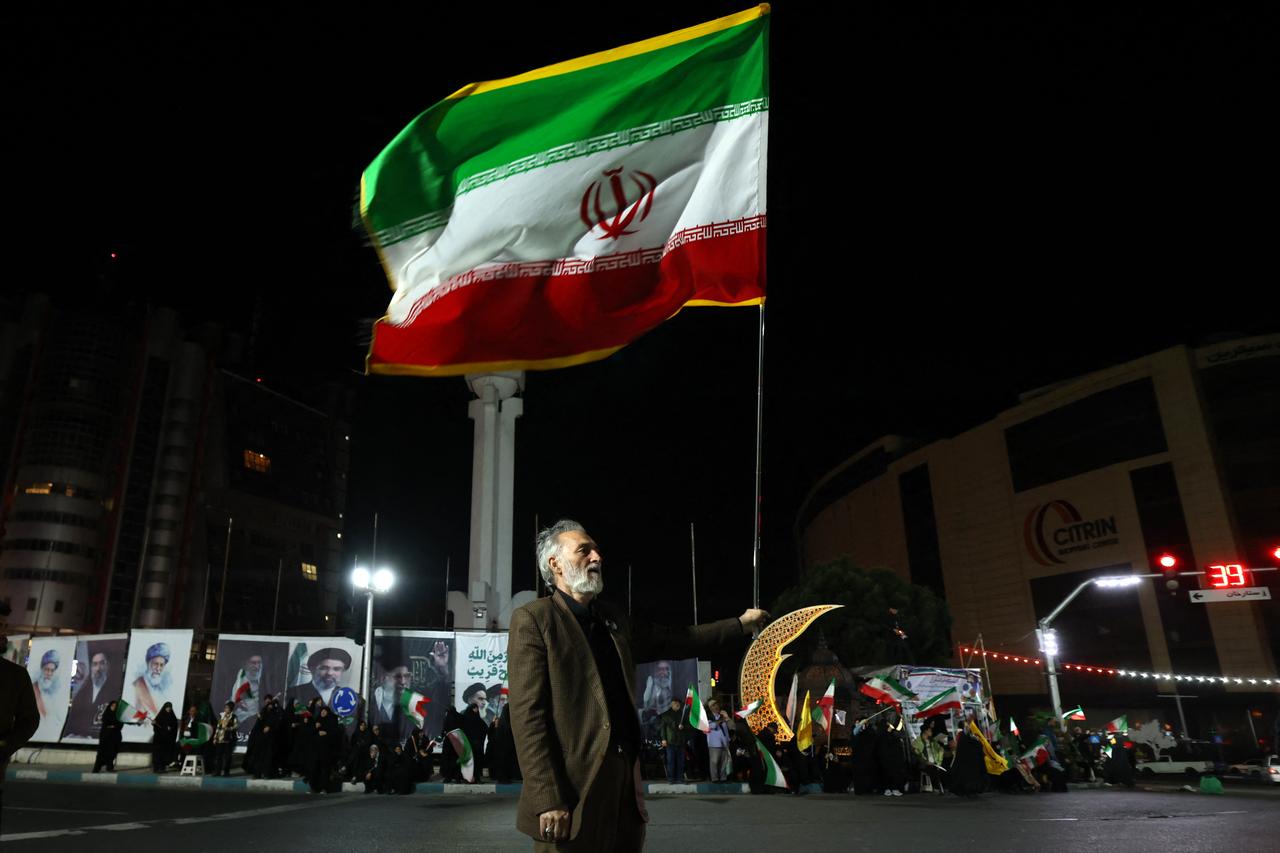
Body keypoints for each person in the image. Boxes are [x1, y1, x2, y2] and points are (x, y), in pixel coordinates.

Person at [509, 518, 768, 849]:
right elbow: (528, 715)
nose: (596, 557)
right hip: (575, 786)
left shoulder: (613, 619)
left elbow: (678, 640)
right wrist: (547, 798)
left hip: (623, 779)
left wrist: (740, 625)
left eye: (597, 550)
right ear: (555, 563)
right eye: (584, 550)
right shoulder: (535, 619)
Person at [2, 630, 41, 818]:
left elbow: (29, 720)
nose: (4, 633)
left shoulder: (14, 675)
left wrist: (5, 746)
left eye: (4, 627)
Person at [65, 647, 114, 739]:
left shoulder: (114, 691)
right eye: (95, 664)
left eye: (102, 663)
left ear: (108, 666)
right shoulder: (82, 693)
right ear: (91, 668)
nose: (98, 668)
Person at [286, 648, 351, 709]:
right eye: (324, 668)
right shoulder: (292, 694)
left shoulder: (351, 697)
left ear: (343, 671)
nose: (330, 673)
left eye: (336, 669)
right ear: (312, 669)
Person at [129, 643, 176, 718]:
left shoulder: (161, 688)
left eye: (161, 665)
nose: (158, 669)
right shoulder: (137, 686)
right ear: (148, 664)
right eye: (155, 664)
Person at [460, 683, 489, 781]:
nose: (484, 703)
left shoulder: (485, 718)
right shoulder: (463, 718)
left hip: (477, 749)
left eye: (485, 699)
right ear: (469, 700)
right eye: (480, 699)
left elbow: (485, 730)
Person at [658, 698, 688, 784]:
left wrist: (683, 727)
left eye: (678, 703)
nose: (677, 704)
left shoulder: (682, 714)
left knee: (680, 761)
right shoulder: (666, 714)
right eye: (675, 703)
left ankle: (680, 778)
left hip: (681, 742)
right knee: (671, 761)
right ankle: (671, 779)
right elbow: (662, 728)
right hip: (670, 741)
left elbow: (687, 726)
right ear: (672, 704)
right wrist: (663, 739)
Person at [94, 700, 126, 772]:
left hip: (115, 737)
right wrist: (114, 726)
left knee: (112, 752)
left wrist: (113, 726)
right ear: (109, 706)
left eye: (115, 706)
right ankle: (96, 769)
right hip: (106, 737)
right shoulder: (106, 714)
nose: (114, 708)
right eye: (113, 706)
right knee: (102, 752)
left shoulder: (118, 716)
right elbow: (106, 724)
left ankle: (109, 767)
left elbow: (119, 725)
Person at [705, 701, 732, 783]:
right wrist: (720, 720)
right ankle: (715, 778)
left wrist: (727, 718)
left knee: (724, 762)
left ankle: (723, 778)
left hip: (724, 742)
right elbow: (710, 726)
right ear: (710, 708)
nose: (716, 707)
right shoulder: (708, 717)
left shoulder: (722, 716)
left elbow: (729, 728)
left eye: (716, 704)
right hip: (714, 743)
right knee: (714, 762)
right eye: (713, 705)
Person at [152, 702, 179, 771]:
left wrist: (171, 728)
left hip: (167, 740)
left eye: (170, 707)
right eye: (167, 707)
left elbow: (174, 726)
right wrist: (154, 723)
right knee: (157, 754)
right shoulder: (160, 716)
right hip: (159, 739)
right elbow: (156, 725)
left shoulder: (172, 717)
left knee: (164, 754)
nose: (169, 708)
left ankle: (162, 768)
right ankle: (156, 768)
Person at [213, 701, 237, 776]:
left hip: (228, 739)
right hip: (220, 739)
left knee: (227, 757)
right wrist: (215, 737)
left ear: (231, 709)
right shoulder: (222, 716)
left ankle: (226, 772)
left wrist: (229, 728)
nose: (225, 709)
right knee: (218, 756)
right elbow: (218, 727)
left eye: (227, 708)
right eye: (225, 707)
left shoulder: (233, 717)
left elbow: (236, 726)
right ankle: (217, 772)